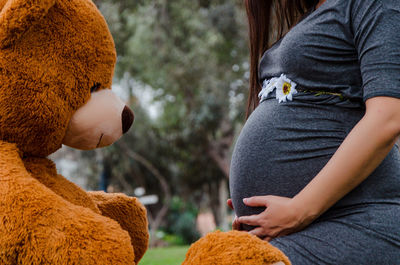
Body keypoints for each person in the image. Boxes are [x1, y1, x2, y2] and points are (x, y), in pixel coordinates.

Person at [229, 0, 400, 263]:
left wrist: (299, 209)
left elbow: (388, 117)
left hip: (357, 220)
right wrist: (251, 208)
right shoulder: (314, 14)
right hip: (311, 227)